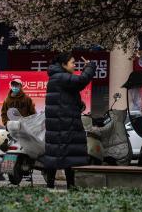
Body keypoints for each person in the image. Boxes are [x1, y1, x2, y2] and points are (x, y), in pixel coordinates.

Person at [44, 53, 96, 189]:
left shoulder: (57, 77)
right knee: (68, 157)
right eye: (72, 63)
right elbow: (82, 80)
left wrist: (78, 104)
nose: (74, 65)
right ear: (63, 65)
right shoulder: (61, 77)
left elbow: (64, 98)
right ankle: (69, 187)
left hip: (61, 124)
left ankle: (51, 187)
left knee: (58, 155)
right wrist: (90, 67)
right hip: (65, 125)